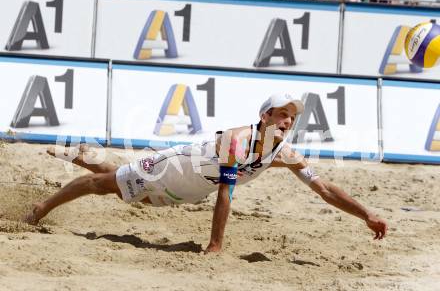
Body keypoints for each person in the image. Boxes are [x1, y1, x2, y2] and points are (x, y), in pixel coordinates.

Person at [25, 93, 388, 253]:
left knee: (120, 184)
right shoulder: (236, 141)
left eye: (292, 117)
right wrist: (216, 245)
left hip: (189, 190)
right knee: (102, 185)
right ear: (265, 117)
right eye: (281, 114)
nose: (288, 121)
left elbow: (324, 189)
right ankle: (42, 207)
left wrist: (366, 214)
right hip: (170, 170)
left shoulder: (285, 153)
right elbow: (226, 194)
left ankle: (79, 155)